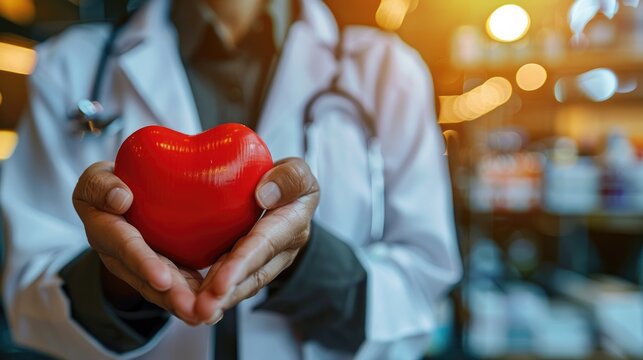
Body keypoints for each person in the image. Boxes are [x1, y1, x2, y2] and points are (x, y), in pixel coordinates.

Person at [0, 0, 462, 358]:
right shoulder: (69, 67)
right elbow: (28, 298)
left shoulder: (387, 72)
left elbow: (422, 293)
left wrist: (301, 258)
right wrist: (120, 281)